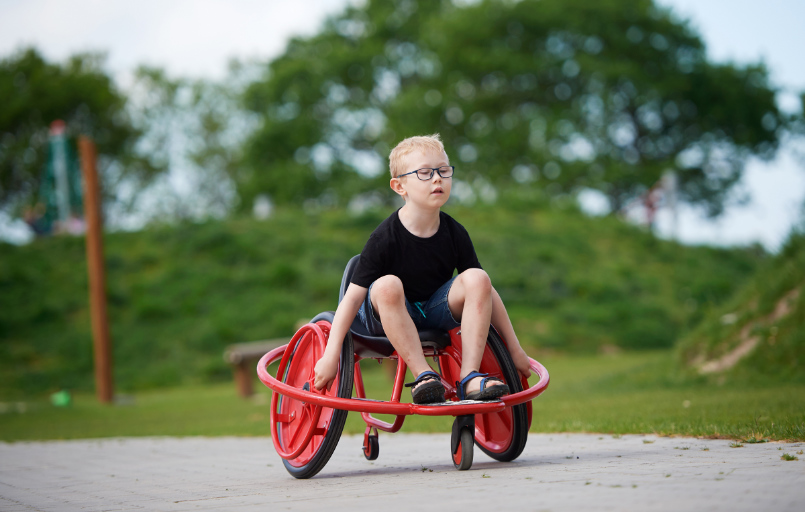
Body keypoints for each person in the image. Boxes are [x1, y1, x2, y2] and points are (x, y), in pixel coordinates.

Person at [313, 134, 531, 403]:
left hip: (432, 311)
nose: (437, 178)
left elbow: (485, 292)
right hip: (384, 316)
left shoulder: (455, 233)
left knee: (477, 277)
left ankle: (470, 377)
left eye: (443, 171)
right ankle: (424, 376)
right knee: (388, 284)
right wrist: (331, 354)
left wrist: (515, 349)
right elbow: (352, 299)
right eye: (425, 173)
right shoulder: (384, 238)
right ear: (399, 186)